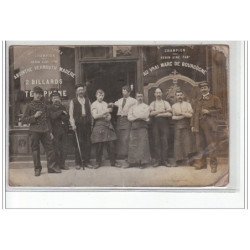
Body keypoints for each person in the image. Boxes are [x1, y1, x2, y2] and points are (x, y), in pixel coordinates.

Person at [22, 86, 60, 176]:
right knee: (35, 150)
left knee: (50, 149)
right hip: (34, 131)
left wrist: (50, 132)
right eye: (36, 94)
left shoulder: (44, 106)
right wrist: (34, 116)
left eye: (40, 94)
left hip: (45, 130)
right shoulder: (29, 105)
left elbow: (48, 120)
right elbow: (23, 120)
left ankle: (51, 167)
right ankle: (37, 169)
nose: (38, 95)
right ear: (33, 94)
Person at [191, 82, 222, 173]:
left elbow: (220, 110)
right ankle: (202, 164)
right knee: (200, 145)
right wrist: (193, 125)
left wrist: (209, 111)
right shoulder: (198, 100)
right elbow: (194, 114)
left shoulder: (215, 98)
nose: (203, 89)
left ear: (208, 88)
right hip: (198, 125)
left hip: (210, 126)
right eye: (202, 88)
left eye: (205, 87)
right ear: (200, 90)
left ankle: (213, 165)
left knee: (211, 145)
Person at [91, 89, 121, 168]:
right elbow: (95, 116)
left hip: (107, 124)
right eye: (99, 95)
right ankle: (98, 162)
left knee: (111, 144)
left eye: (102, 95)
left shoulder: (105, 103)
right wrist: (105, 112)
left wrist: (108, 117)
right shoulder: (94, 104)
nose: (100, 97)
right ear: (96, 95)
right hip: (99, 124)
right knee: (99, 145)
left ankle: (113, 162)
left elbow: (109, 115)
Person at [69, 84, 93, 170]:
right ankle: (78, 163)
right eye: (79, 90)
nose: (81, 91)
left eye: (82, 90)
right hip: (78, 125)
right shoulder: (73, 101)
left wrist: (91, 124)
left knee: (87, 143)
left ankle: (87, 161)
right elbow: (71, 115)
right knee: (78, 143)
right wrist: (73, 125)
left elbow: (91, 113)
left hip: (86, 124)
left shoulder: (87, 100)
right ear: (76, 92)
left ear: (84, 91)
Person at [111, 85, 137, 159]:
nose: (123, 92)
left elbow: (135, 110)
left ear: (129, 92)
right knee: (119, 137)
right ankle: (120, 154)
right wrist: (111, 104)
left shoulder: (133, 101)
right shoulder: (119, 100)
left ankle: (126, 155)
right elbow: (114, 104)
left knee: (126, 138)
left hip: (127, 120)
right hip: (120, 120)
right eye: (123, 90)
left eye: (125, 91)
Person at [149, 87, 172, 167]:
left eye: (159, 93)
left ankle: (165, 160)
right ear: (154, 94)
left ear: (162, 94)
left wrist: (158, 114)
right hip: (155, 124)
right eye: (157, 93)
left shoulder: (166, 103)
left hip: (164, 124)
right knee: (156, 142)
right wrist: (162, 111)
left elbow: (170, 113)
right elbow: (151, 114)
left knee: (165, 141)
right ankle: (158, 161)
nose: (158, 94)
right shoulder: (152, 103)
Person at [127, 92, 151, 168]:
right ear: (136, 97)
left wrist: (136, 116)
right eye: (138, 96)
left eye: (141, 96)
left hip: (142, 126)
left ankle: (143, 163)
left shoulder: (146, 106)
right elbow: (129, 117)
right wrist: (139, 116)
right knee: (132, 144)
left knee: (143, 144)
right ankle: (132, 162)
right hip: (134, 126)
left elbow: (145, 115)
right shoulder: (132, 107)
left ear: (143, 97)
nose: (140, 98)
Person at [172, 90, 194, 166]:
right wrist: (184, 115)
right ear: (176, 97)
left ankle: (188, 159)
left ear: (183, 96)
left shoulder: (188, 104)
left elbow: (191, 115)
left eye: (181, 95)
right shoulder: (174, 106)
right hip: (177, 126)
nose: (179, 97)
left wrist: (181, 113)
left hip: (187, 125)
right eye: (178, 95)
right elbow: (173, 117)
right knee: (177, 143)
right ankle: (178, 160)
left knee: (187, 142)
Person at [49, 91, 70, 170]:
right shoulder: (49, 108)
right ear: (51, 100)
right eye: (54, 98)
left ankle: (62, 164)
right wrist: (61, 112)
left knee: (64, 148)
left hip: (63, 130)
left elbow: (66, 118)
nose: (56, 100)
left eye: (57, 98)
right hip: (55, 131)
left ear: (60, 99)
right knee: (56, 149)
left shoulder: (63, 107)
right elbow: (52, 116)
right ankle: (57, 165)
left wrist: (61, 115)